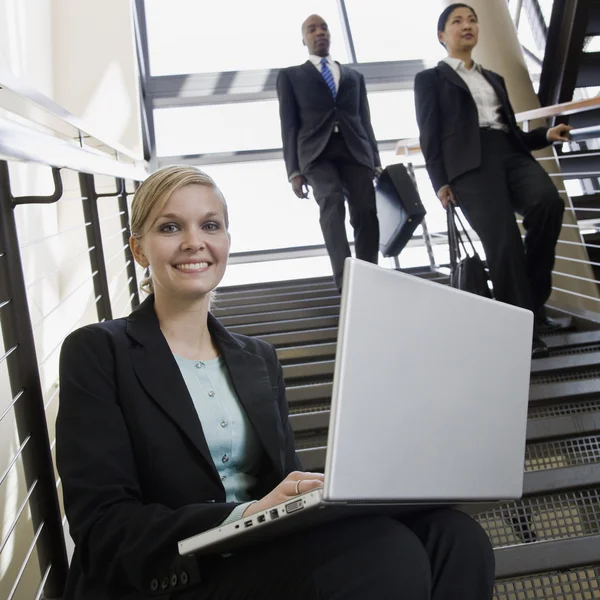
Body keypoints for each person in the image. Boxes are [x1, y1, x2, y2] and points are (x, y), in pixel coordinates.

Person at [56, 165, 495, 600]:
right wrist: (246, 514)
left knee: (455, 537)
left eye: (210, 225)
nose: (195, 242)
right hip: (171, 579)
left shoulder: (258, 358)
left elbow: (283, 480)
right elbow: (105, 526)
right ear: (138, 249)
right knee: (385, 552)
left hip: (263, 556)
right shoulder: (98, 351)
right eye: (170, 227)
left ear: (226, 241)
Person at [414, 3, 571, 358]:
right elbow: (429, 134)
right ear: (442, 35)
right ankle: (523, 331)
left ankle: (531, 303)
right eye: (457, 21)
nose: (467, 25)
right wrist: (440, 183)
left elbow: (512, 131)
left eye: (472, 20)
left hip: (509, 154)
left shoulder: (493, 78)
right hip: (468, 165)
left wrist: (546, 135)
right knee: (504, 241)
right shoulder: (430, 79)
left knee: (548, 203)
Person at [277, 14, 381, 292]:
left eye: (323, 27)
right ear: (304, 39)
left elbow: (365, 120)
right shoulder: (290, 76)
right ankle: (345, 280)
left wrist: (376, 161)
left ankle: (369, 273)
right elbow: (288, 124)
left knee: (366, 211)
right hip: (315, 152)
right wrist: (293, 171)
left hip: (355, 148)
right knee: (332, 202)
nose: (319, 32)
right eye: (312, 29)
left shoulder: (354, 76)